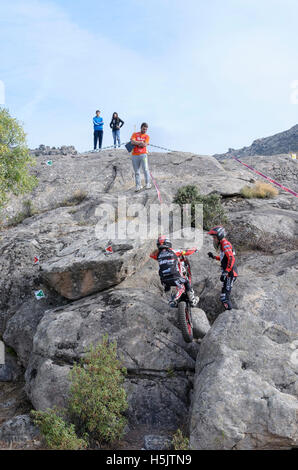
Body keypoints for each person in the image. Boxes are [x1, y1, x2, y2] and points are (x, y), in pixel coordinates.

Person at [150, 236, 199, 307]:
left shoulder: (158, 255)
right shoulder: (174, 251)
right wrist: (194, 249)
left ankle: (169, 300)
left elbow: (151, 255)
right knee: (186, 281)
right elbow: (186, 252)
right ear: (168, 243)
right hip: (175, 278)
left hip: (164, 281)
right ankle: (192, 300)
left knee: (167, 287)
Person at [207, 226, 238, 310]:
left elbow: (231, 258)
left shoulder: (225, 244)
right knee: (223, 296)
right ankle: (229, 313)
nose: (214, 239)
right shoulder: (223, 244)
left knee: (225, 297)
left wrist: (226, 272)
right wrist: (214, 257)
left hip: (231, 273)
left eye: (214, 237)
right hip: (228, 273)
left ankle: (231, 315)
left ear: (220, 236)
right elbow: (224, 258)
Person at [130, 123, 151, 192]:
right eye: (143, 129)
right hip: (135, 155)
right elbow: (132, 142)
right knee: (137, 171)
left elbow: (145, 144)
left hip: (143, 154)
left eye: (146, 129)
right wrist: (140, 142)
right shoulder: (135, 134)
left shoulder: (147, 136)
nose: (145, 130)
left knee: (145, 169)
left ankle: (148, 183)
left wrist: (138, 143)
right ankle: (138, 185)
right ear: (141, 128)